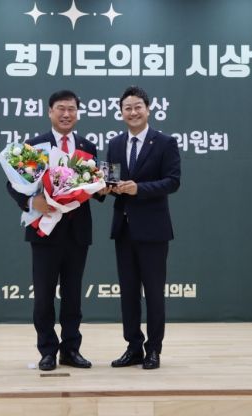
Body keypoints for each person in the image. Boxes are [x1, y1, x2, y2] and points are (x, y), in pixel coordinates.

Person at [6, 90, 99, 371]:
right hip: (44, 230)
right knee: (44, 295)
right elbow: (13, 184)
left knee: (73, 295)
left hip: (77, 232)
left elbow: (95, 186)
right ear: (50, 112)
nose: (66, 114)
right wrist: (30, 202)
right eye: (61, 108)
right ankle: (47, 351)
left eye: (71, 109)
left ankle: (71, 349)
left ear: (78, 113)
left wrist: (102, 187)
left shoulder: (87, 146)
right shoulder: (35, 146)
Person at [100, 86, 181, 370]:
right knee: (129, 293)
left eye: (138, 107)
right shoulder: (115, 143)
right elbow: (110, 181)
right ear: (121, 112)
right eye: (127, 108)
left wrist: (139, 189)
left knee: (154, 293)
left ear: (148, 109)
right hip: (123, 229)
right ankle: (133, 347)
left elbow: (173, 181)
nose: (133, 112)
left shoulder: (165, 142)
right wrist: (104, 188)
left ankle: (154, 349)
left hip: (154, 230)